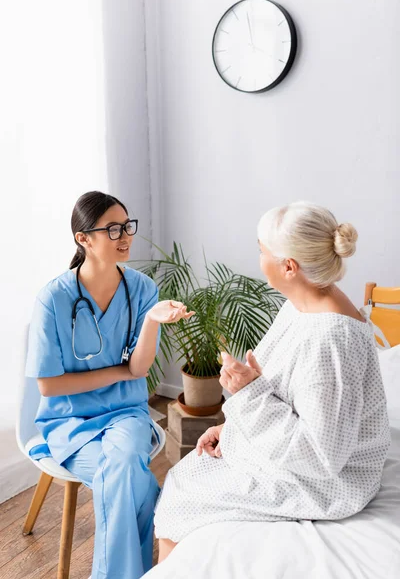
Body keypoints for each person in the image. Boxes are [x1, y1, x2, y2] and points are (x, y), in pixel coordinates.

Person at [153, 201, 390, 564]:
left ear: (289, 267)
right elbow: (279, 387)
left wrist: (248, 393)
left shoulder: (330, 339)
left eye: (262, 251)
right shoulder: (299, 304)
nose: (259, 258)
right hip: (297, 458)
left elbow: (321, 457)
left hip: (329, 485)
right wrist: (233, 427)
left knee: (183, 495)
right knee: (186, 476)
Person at [25, 191, 194, 579]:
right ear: (83, 238)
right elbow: (49, 386)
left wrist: (151, 321)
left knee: (119, 471)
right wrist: (119, 374)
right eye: (113, 228)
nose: (125, 236)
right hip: (69, 421)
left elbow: (139, 367)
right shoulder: (54, 298)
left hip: (126, 415)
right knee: (129, 479)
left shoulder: (142, 290)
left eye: (127, 225)